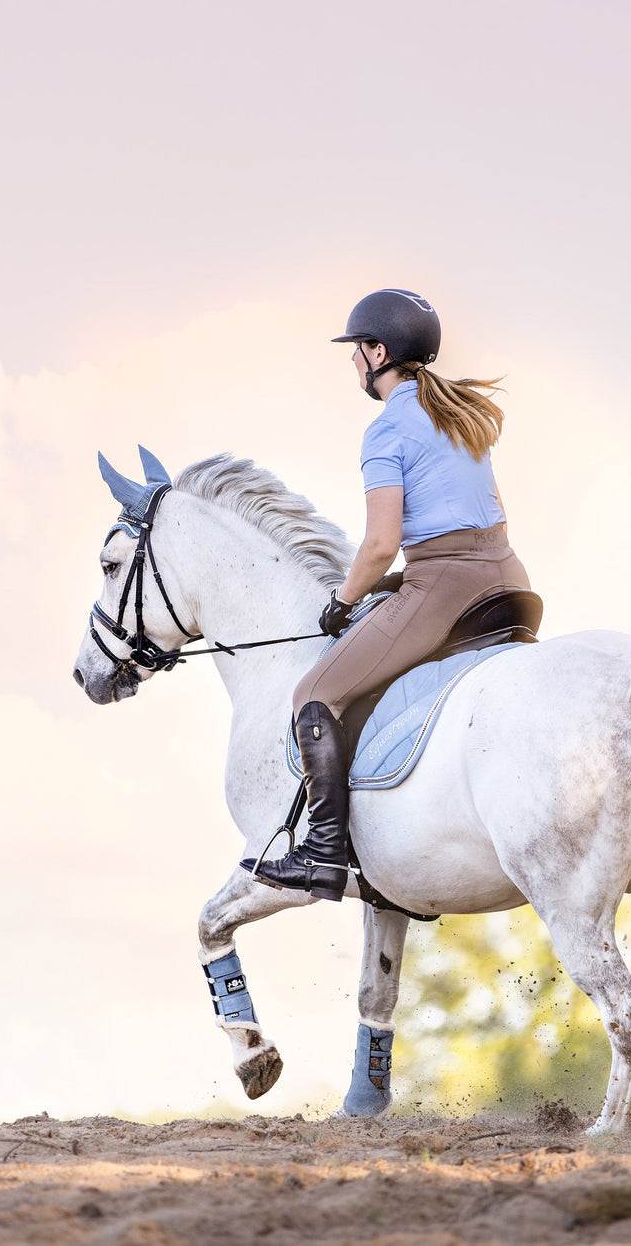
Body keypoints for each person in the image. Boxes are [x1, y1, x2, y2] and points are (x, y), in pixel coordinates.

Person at [244, 289, 530, 901]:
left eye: (356, 350)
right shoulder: (462, 416)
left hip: (445, 585)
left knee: (314, 692)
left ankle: (323, 854)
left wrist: (344, 603)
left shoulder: (387, 429)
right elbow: (492, 510)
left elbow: (379, 545)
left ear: (379, 352)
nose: (352, 362)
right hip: (507, 577)